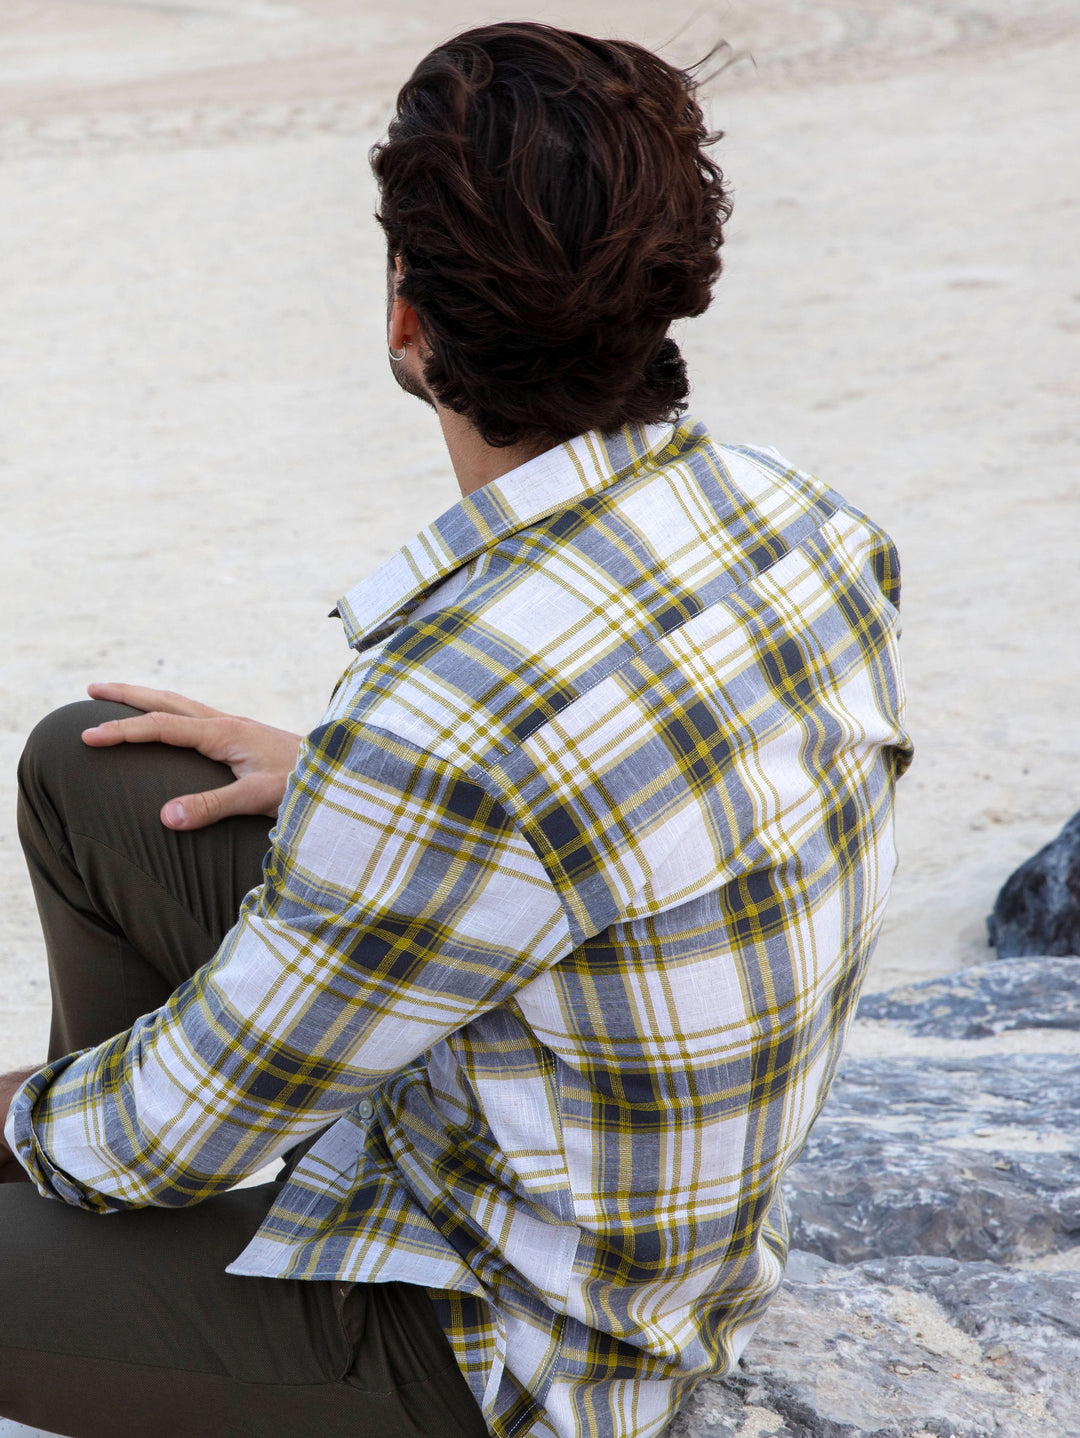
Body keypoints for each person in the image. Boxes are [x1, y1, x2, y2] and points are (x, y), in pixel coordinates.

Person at [0, 21, 912, 1438]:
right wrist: (340, 788)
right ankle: (151, 1273)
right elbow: (628, 798)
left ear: (408, 322)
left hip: (518, 1351)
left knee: (115, 1139)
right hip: (596, 1166)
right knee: (86, 761)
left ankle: (155, 1283)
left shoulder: (448, 712)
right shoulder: (804, 519)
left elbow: (164, 1120)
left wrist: (32, 1122)